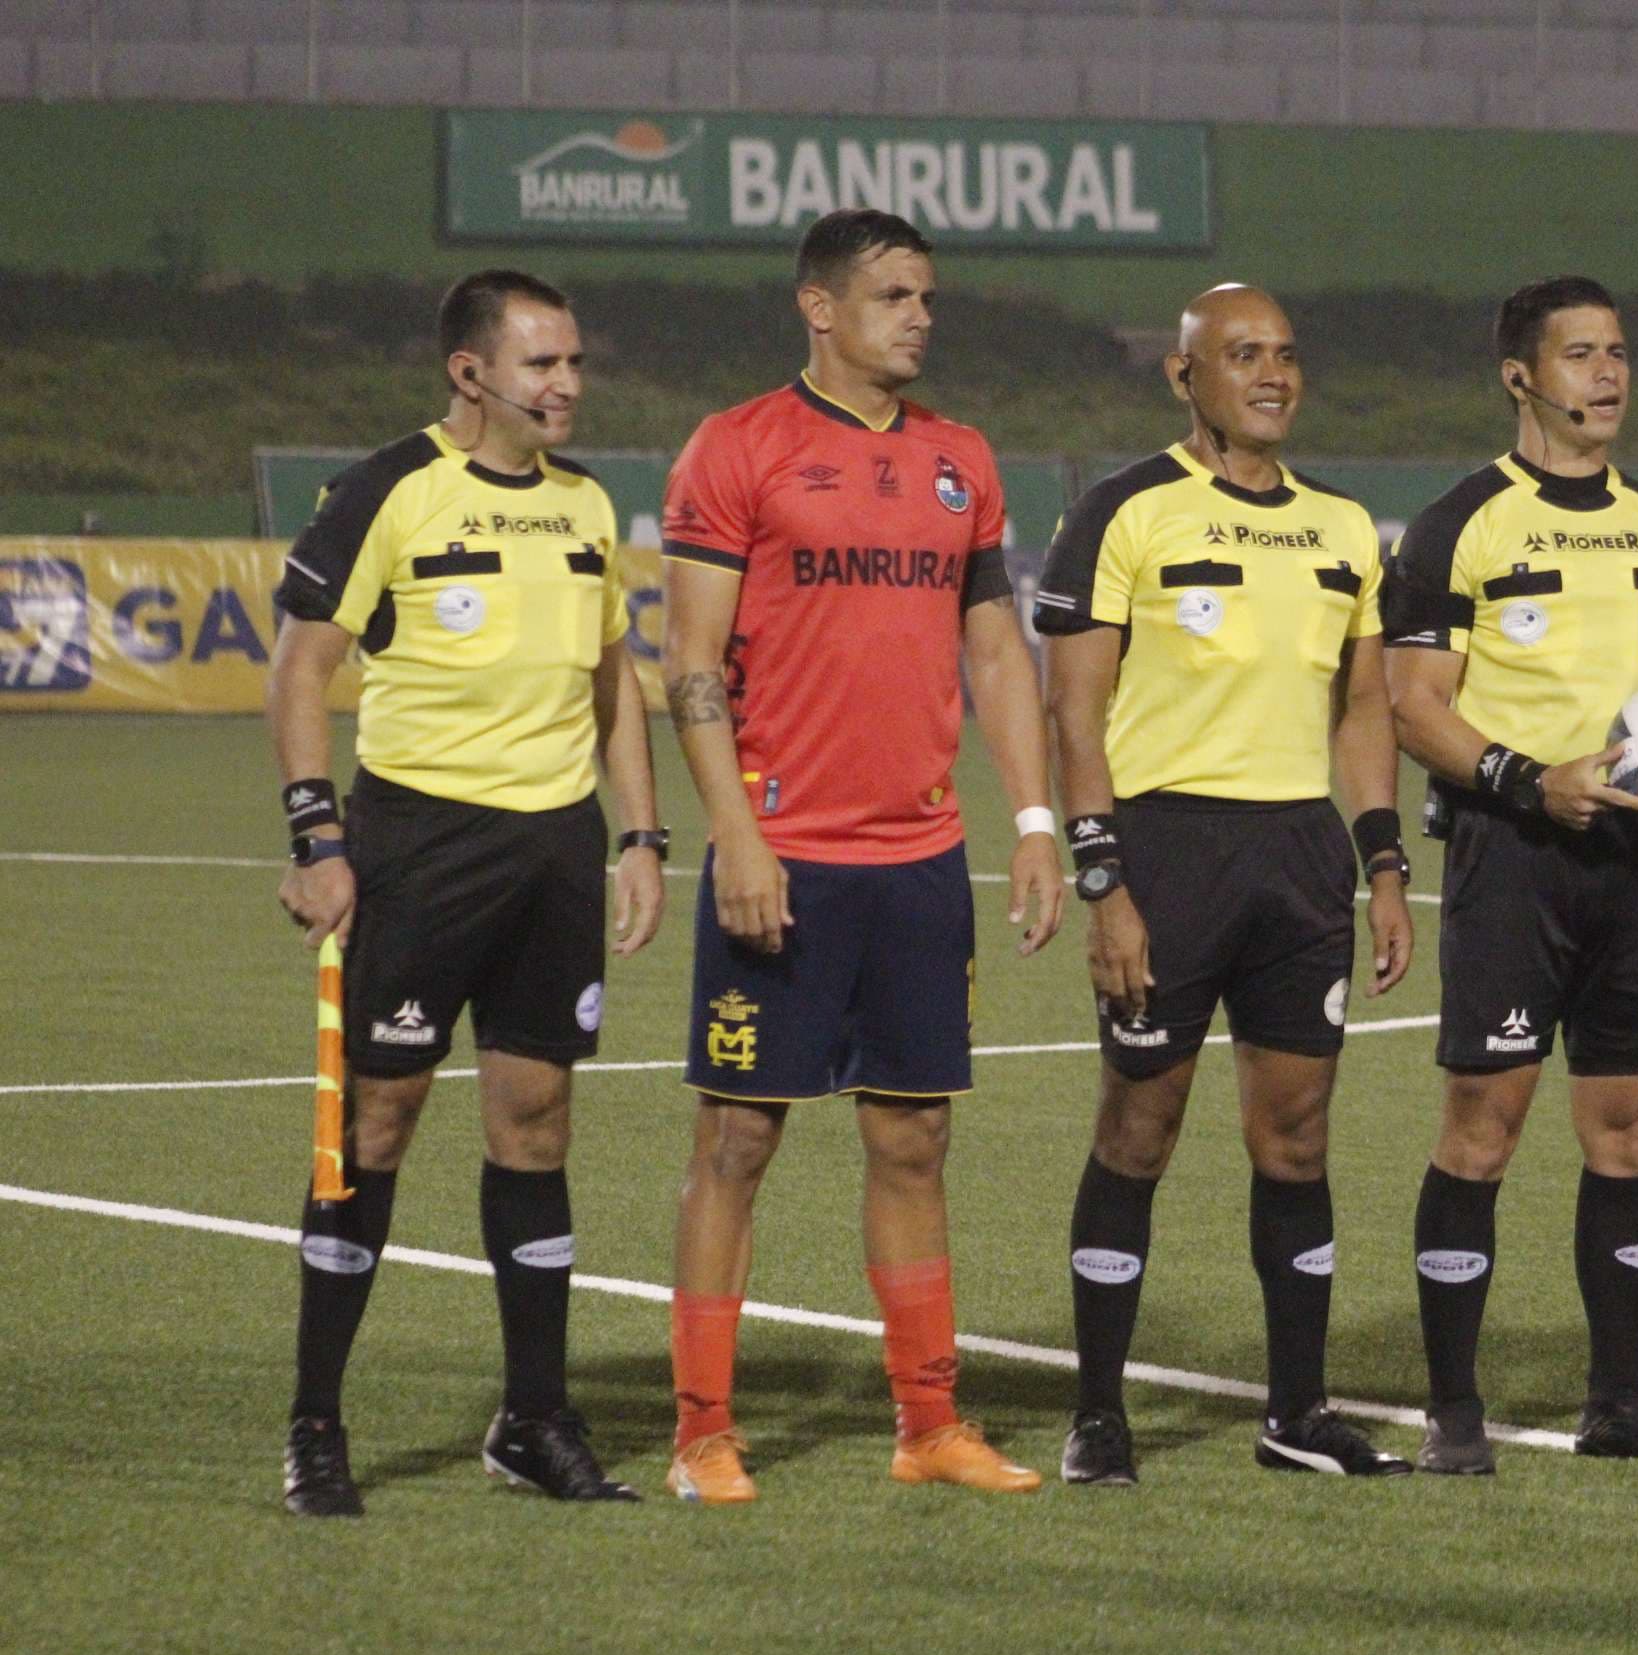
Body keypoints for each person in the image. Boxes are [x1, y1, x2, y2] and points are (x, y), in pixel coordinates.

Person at [657, 208, 1065, 1504]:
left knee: (913, 1142)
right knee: (737, 1141)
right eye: (894, 296)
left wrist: (1036, 822)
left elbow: (995, 651)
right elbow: (690, 665)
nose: (920, 317)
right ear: (820, 310)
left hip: (919, 859)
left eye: (927, 296)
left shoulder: (961, 461)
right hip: (781, 852)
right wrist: (735, 833)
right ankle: (700, 1431)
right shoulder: (740, 448)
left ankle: (928, 1424)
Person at [270, 268, 667, 1515]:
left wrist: (643, 837)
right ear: (471, 373)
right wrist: (316, 837)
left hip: (553, 856)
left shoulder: (590, 505)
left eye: (576, 363)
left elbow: (615, 682)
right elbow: (300, 667)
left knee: (536, 1125)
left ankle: (534, 1420)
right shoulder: (387, 489)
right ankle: (317, 1423)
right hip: (416, 847)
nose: (567, 386)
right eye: (544, 364)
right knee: (373, 1130)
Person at [1034, 285, 1414, 1485]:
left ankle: (1294, 1414)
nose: (1272, 375)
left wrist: (1385, 866)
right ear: (1183, 376)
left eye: (1287, 356)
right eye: (1242, 355)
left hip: (1300, 861)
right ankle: (1100, 1411)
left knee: (1296, 1140)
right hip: (1165, 853)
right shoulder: (1125, 512)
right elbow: (1074, 714)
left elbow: (1362, 710)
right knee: (1139, 1128)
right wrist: (1106, 885)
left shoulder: (1347, 528)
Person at [1385, 276, 1638, 1476]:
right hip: (1515, 851)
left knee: (1629, 1132)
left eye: (1620, 352)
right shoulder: (1458, 526)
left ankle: (1620, 1405)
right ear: (1521, 376)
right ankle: (1453, 1411)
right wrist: (1536, 782)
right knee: (1485, 1124)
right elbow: (1413, 709)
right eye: (1581, 354)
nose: (1608, 375)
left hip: (1636, 865)